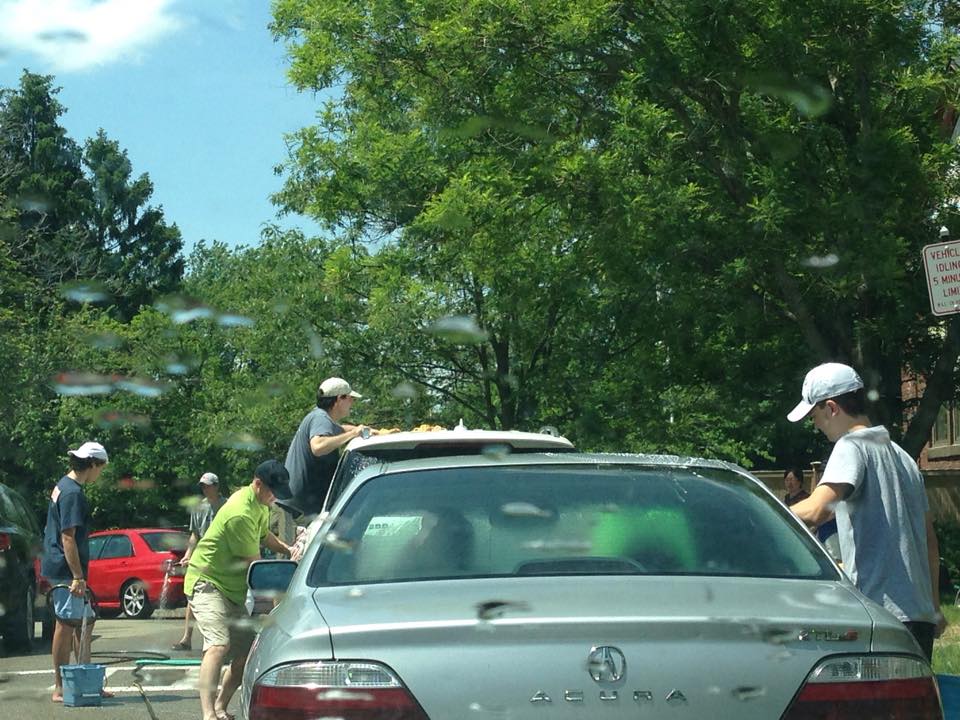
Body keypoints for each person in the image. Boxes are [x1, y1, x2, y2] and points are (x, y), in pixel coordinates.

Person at [787, 362, 945, 661]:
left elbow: (818, 508)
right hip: (919, 617)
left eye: (814, 415)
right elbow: (930, 542)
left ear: (831, 408)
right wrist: (934, 608)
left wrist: (763, 516)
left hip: (880, 616)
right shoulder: (903, 457)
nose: (815, 425)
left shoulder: (851, 446)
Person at [184, 459, 293, 720]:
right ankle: (208, 715)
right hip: (207, 581)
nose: (275, 497)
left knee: (245, 652)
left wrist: (289, 550)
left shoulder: (260, 505)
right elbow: (256, 566)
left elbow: (264, 535)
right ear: (258, 483)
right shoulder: (240, 513)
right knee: (218, 645)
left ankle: (221, 706)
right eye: (272, 491)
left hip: (231, 589)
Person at [41, 442, 112, 703]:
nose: (100, 474)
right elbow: (68, 537)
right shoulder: (72, 493)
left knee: (84, 623)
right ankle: (60, 687)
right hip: (66, 569)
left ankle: (86, 681)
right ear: (92, 464)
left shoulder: (64, 485)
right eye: (101, 468)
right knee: (66, 624)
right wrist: (78, 576)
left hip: (63, 565)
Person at [278, 377, 370, 543]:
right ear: (339, 399)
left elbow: (340, 429)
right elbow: (318, 446)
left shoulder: (321, 418)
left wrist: (368, 431)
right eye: (350, 398)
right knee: (294, 556)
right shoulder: (321, 419)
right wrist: (352, 434)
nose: (352, 403)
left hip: (300, 510)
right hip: (296, 513)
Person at [172, 471, 225, 651]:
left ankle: (218, 640)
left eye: (207, 486)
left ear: (216, 486)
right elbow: (195, 534)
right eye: (202, 486)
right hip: (202, 557)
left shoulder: (226, 506)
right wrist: (188, 554)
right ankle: (187, 638)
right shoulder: (198, 508)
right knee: (193, 594)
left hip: (222, 557)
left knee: (221, 597)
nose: (204, 489)